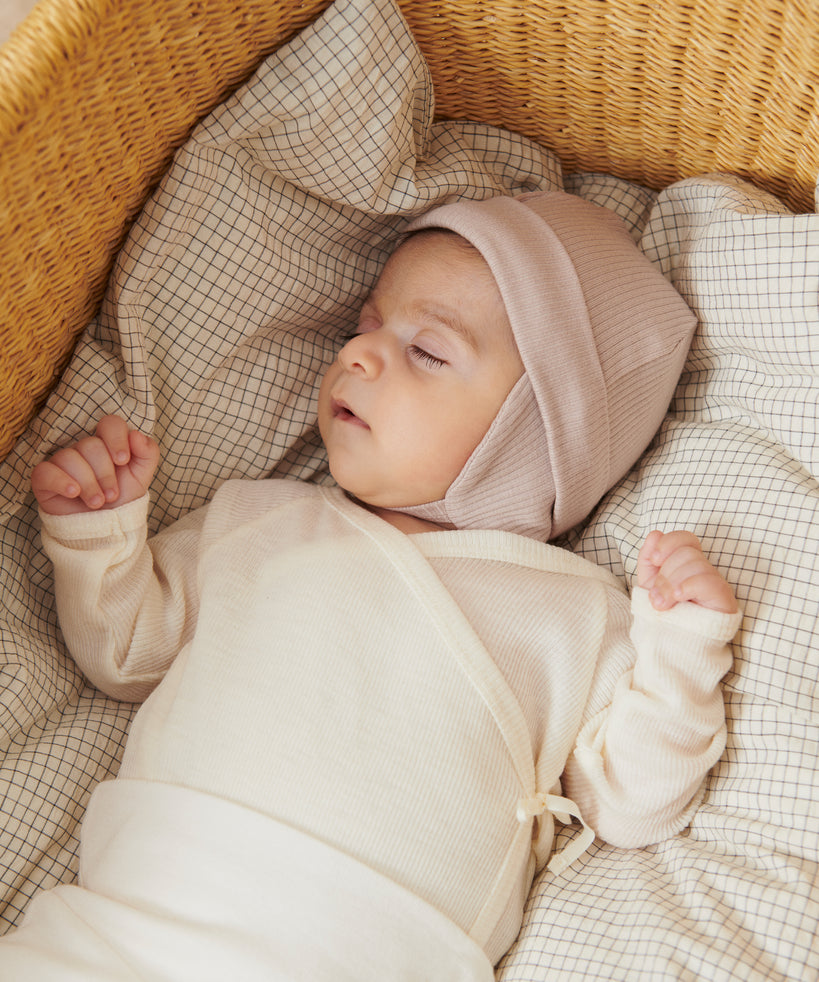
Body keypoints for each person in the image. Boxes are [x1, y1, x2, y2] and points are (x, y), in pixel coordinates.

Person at [10, 191, 740, 980]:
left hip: (367, 946)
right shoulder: (256, 520)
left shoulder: (575, 611)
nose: (358, 354)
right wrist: (100, 536)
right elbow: (127, 655)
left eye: (426, 351)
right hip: (136, 910)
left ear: (538, 434)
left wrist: (683, 650)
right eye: (365, 327)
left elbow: (632, 804)